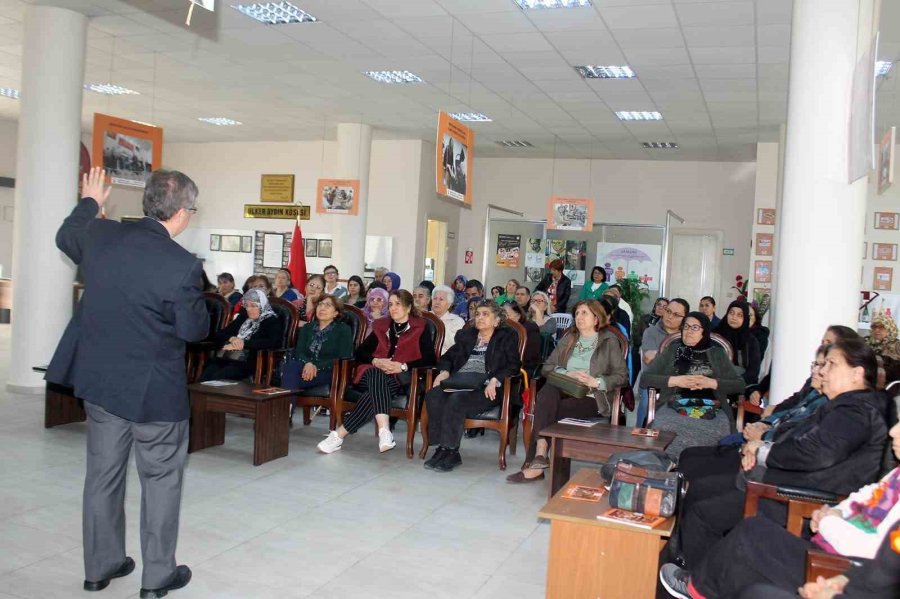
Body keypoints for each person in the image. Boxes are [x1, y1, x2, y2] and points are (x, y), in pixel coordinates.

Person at [46, 167, 208, 597]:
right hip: (155, 395)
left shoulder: (100, 237)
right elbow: (194, 331)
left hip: (101, 385)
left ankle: (100, 568)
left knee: (102, 476)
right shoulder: (183, 265)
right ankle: (156, 579)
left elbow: (67, 235)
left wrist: (91, 201)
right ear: (181, 213)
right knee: (161, 482)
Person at [670, 337, 888, 570]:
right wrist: (760, 447)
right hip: (786, 483)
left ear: (856, 373)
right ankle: (690, 565)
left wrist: (763, 451)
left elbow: (813, 454)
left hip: (799, 497)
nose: (823, 371)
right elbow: (795, 436)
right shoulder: (845, 405)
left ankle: (697, 581)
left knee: (704, 514)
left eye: (831, 364)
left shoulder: (855, 411)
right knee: (702, 490)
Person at [659, 405, 900, 599]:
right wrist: (834, 512)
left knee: (747, 547)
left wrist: (829, 522)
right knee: (752, 530)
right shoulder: (895, 474)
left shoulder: (852, 412)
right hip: (835, 543)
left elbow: (875, 551)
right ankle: (698, 583)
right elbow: (863, 495)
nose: (893, 431)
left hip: (838, 563)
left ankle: (696, 587)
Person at [507, 300, 629, 484]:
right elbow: (547, 367)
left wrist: (595, 381)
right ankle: (541, 453)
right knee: (548, 392)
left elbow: (622, 376)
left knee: (547, 409)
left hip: (591, 396)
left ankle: (536, 463)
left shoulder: (609, 342)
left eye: (584, 313)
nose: (579, 317)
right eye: (577, 313)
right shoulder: (569, 338)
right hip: (564, 388)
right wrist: (567, 373)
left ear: (596, 318)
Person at [317, 290, 435, 454]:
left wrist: (402, 366)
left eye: (398, 304)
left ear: (408, 307)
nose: (393, 308)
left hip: (398, 377)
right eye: (391, 304)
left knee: (372, 395)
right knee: (376, 374)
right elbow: (360, 352)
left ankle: (338, 435)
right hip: (371, 372)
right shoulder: (382, 325)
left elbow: (430, 359)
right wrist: (376, 361)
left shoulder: (420, 327)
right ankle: (384, 430)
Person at [423, 300, 521, 472]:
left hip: (487, 388)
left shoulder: (507, 336)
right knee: (434, 395)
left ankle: (451, 451)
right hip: (461, 382)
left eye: (485, 314)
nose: (480, 318)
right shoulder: (467, 335)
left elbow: (513, 365)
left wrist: (495, 379)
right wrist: (444, 371)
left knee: (457, 399)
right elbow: (448, 357)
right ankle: (442, 447)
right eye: (477, 314)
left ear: (497, 320)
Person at [639, 312, 745, 460]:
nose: (688, 331)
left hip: (712, 408)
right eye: (686, 326)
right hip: (673, 405)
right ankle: (667, 465)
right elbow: (645, 379)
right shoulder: (672, 350)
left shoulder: (718, 354)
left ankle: (702, 469)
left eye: (695, 327)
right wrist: (676, 381)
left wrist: (712, 383)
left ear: (704, 331)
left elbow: (739, 385)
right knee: (665, 425)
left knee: (717, 430)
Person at [199, 288, 283, 382]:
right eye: (247, 305)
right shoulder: (243, 317)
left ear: (262, 305)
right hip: (227, 357)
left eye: (253, 306)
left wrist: (243, 344)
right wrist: (232, 339)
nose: (249, 309)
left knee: (219, 377)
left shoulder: (272, 321)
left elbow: (274, 342)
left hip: (250, 360)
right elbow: (219, 334)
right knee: (207, 374)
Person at [282, 295, 354, 395]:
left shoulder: (343, 330)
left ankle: (286, 408)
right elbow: (299, 351)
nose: (322, 308)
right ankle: (288, 407)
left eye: (328, 305)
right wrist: (308, 363)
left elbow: (343, 356)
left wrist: (316, 367)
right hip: (305, 367)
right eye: (320, 304)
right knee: (292, 367)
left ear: (336, 313)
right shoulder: (307, 327)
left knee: (289, 379)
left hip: (329, 371)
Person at [634, 298, 689, 427]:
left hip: (680, 383)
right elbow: (649, 358)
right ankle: (640, 432)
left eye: (676, 315)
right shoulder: (651, 331)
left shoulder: (687, 335)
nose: (669, 316)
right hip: (653, 382)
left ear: (684, 318)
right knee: (647, 402)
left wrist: (660, 356)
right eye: (668, 311)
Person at [714, 299, 762, 388]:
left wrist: (733, 384)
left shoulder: (751, 341)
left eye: (740, 315)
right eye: (731, 313)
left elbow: (753, 372)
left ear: (745, 318)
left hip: (741, 385)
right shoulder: (715, 336)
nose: (734, 317)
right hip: (713, 384)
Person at [503, 302, 541, 372]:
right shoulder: (502, 328)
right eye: (502, 316)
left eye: (507, 315)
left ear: (518, 315)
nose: (504, 319)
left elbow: (528, 356)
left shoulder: (530, 328)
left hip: (523, 367)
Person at [431, 285, 465, 355]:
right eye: (435, 298)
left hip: (444, 359)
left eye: (441, 299)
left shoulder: (457, 321)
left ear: (449, 304)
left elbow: (453, 345)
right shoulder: (424, 317)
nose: (437, 302)